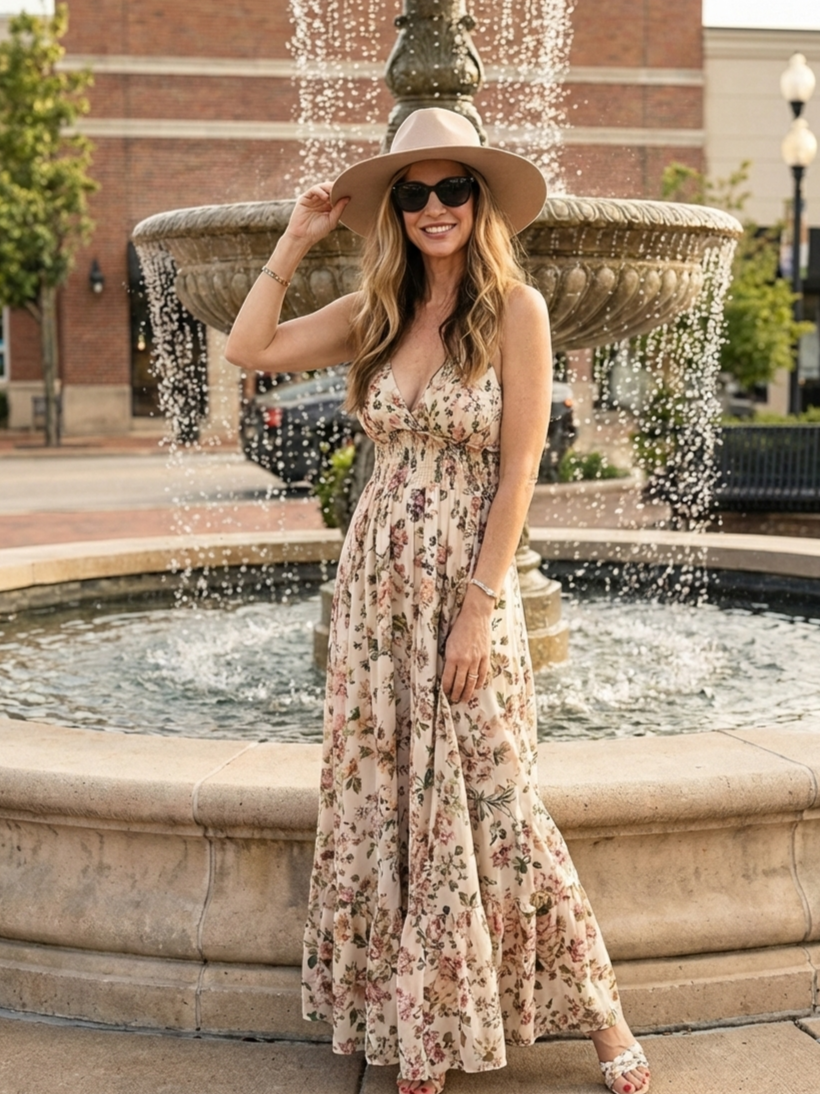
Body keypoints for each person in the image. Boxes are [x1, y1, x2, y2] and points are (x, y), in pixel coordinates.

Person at [225, 108, 650, 1094]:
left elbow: (520, 470)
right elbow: (250, 347)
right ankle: (422, 1025)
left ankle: (604, 1018)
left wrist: (476, 605)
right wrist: (295, 239)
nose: (430, 207)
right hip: (375, 593)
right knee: (384, 806)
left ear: (479, 198)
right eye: (411, 193)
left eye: (449, 187)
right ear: (397, 209)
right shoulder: (374, 311)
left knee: (499, 802)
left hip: (463, 589)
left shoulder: (519, 311)